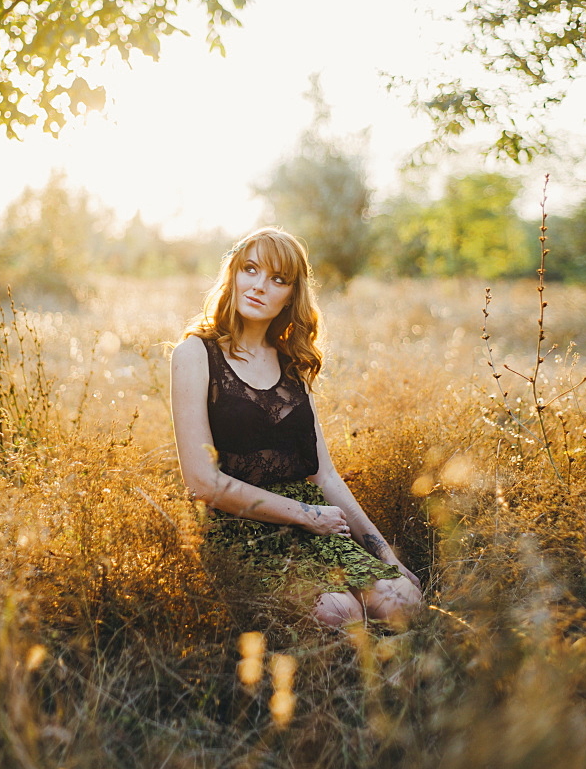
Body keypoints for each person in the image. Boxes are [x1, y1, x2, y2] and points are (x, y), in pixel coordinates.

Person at [170, 227, 422, 628]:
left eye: (278, 279)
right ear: (232, 273)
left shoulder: (294, 362)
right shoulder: (195, 353)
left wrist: (387, 556)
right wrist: (305, 515)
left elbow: (325, 474)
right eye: (250, 269)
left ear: (291, 294)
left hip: (315, 524)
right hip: (241, 530)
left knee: (403, 602)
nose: (258, 285)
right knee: (340, 613)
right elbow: (203, 483)